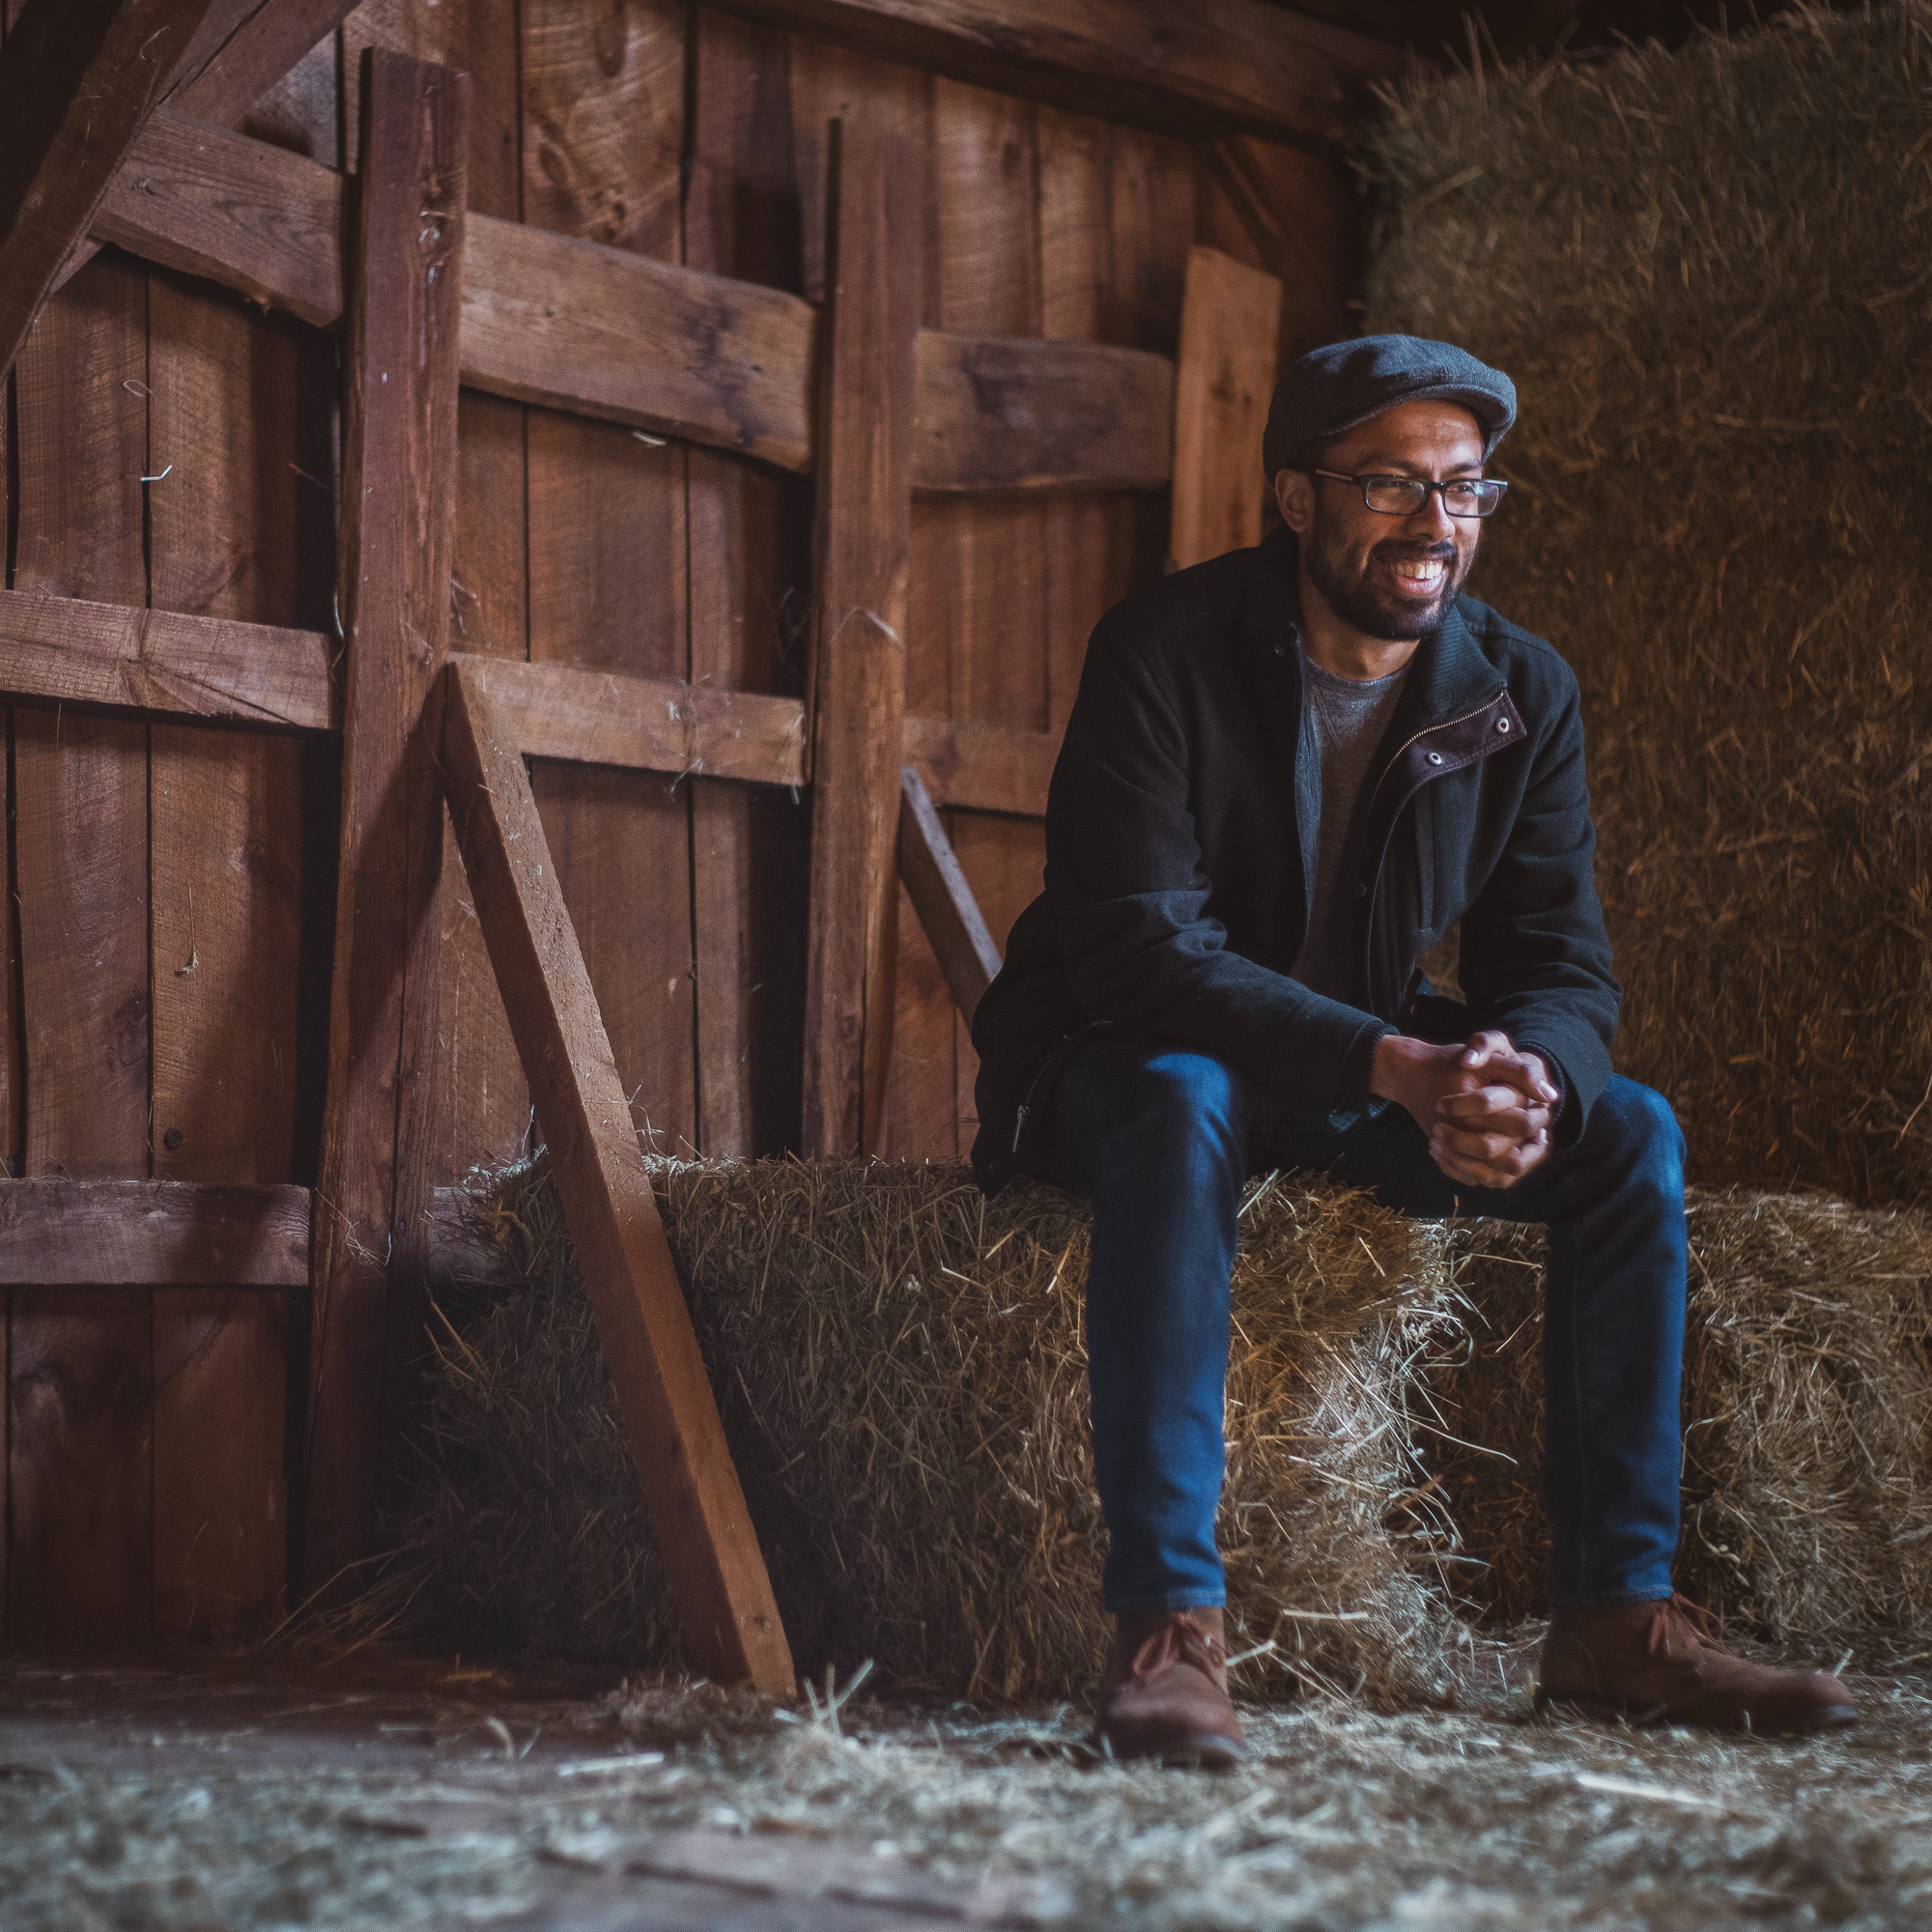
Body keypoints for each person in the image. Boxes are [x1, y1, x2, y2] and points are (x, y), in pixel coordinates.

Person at [969, 334, 1858, 1767]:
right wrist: (1398, 1067)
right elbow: (1141, 952)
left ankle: (1614, 1621)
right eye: (1390, 484)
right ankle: (1168, 1633)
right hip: (1127, 1064)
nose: (1434, 524)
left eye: (1465, 490)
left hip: (1343, 1075)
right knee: (1185, 1093)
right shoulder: (1162, 653)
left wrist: (1525, 1081)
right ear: (1295, 495)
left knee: (1631, 1131)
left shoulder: (1519, 690)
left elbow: (1558, 964)